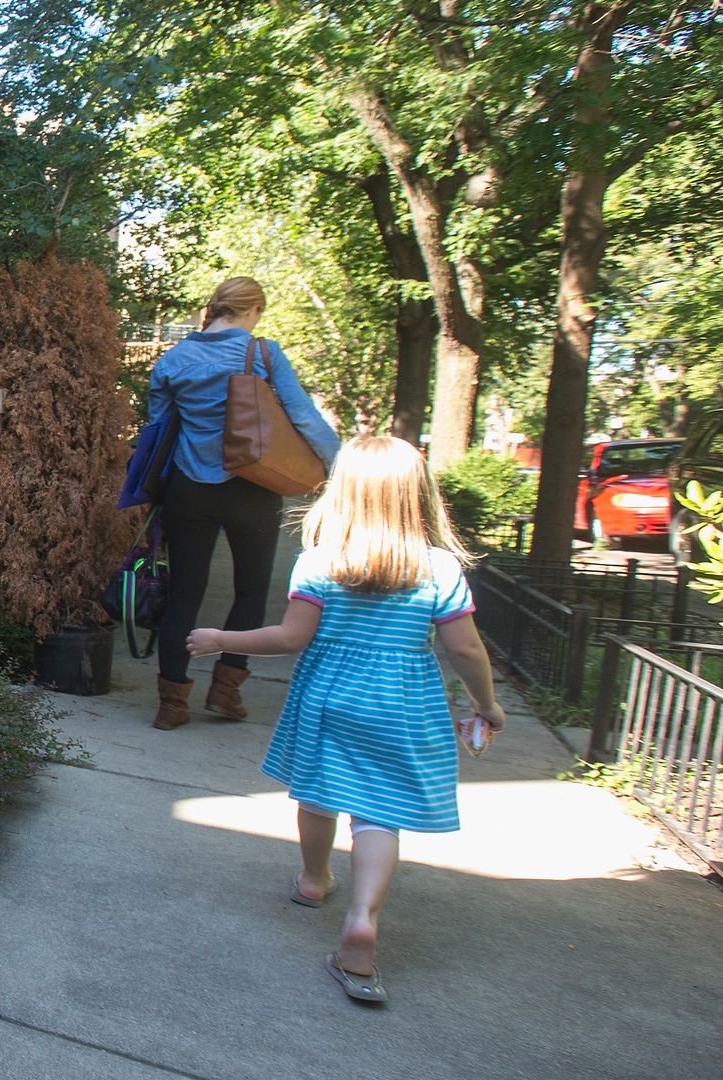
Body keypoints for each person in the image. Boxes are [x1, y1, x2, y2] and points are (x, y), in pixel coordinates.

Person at [187, 435, 507, 1004]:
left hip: (329, 695)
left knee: (317, 792)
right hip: (404, 703)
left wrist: (220, 639)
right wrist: (485, 704)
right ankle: (361, 920)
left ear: (343, 493)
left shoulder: (321, 561)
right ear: (418, 496)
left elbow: (290, 638)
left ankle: (314, 880)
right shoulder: (437, 567)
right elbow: (466, 650)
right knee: (379, 813)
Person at [148, 277, 339, 731]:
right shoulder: (263, 354)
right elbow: (303, 416)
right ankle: (225, 691)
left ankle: (172, 704)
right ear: (251, 310)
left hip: (188, 488)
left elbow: (158, 428)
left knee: (184, 596)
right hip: (252, 486)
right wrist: (341, 468)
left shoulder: (173, 360)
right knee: (251, 591)